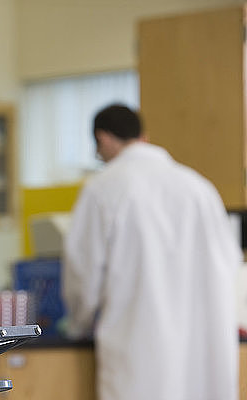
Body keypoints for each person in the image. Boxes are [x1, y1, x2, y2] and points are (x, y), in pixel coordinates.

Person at [63, 104, 240, 400]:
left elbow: (83, 272)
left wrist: (78, 323)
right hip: (205, 351)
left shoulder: (104, 188)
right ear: (143, 136)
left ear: (103, 139)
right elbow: (231, 262)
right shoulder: (199, 187)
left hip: (139, 350)